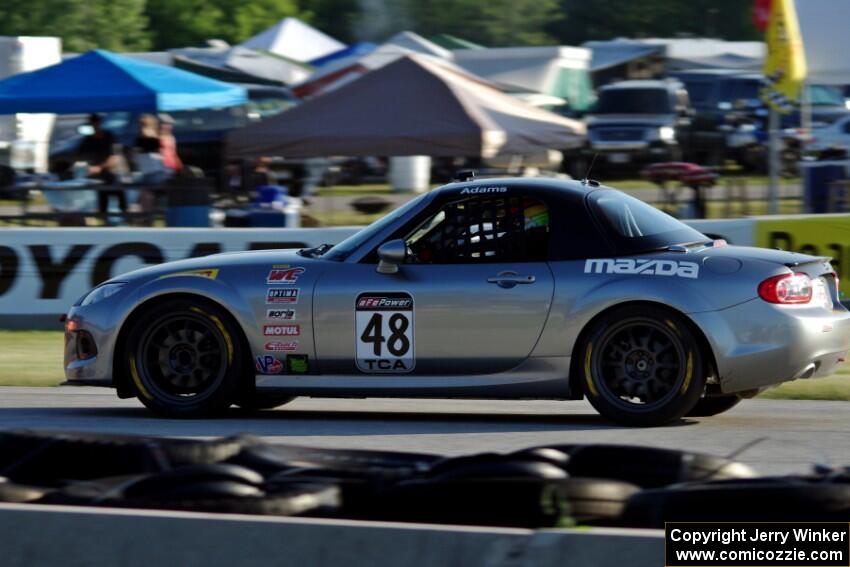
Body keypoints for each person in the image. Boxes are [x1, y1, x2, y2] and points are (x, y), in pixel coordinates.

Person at [77, 114, 126, 214]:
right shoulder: (88, 140)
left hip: (114, 174)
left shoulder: (109, 136)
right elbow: (79, 155)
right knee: (102, 203)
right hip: (99, 178)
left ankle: (126, 221)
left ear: (99, 123)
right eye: (91, 124)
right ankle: (105, 223)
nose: (93, 126)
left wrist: (100, 167)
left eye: (94, 124)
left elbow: (115, 156)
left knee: (121, 201)